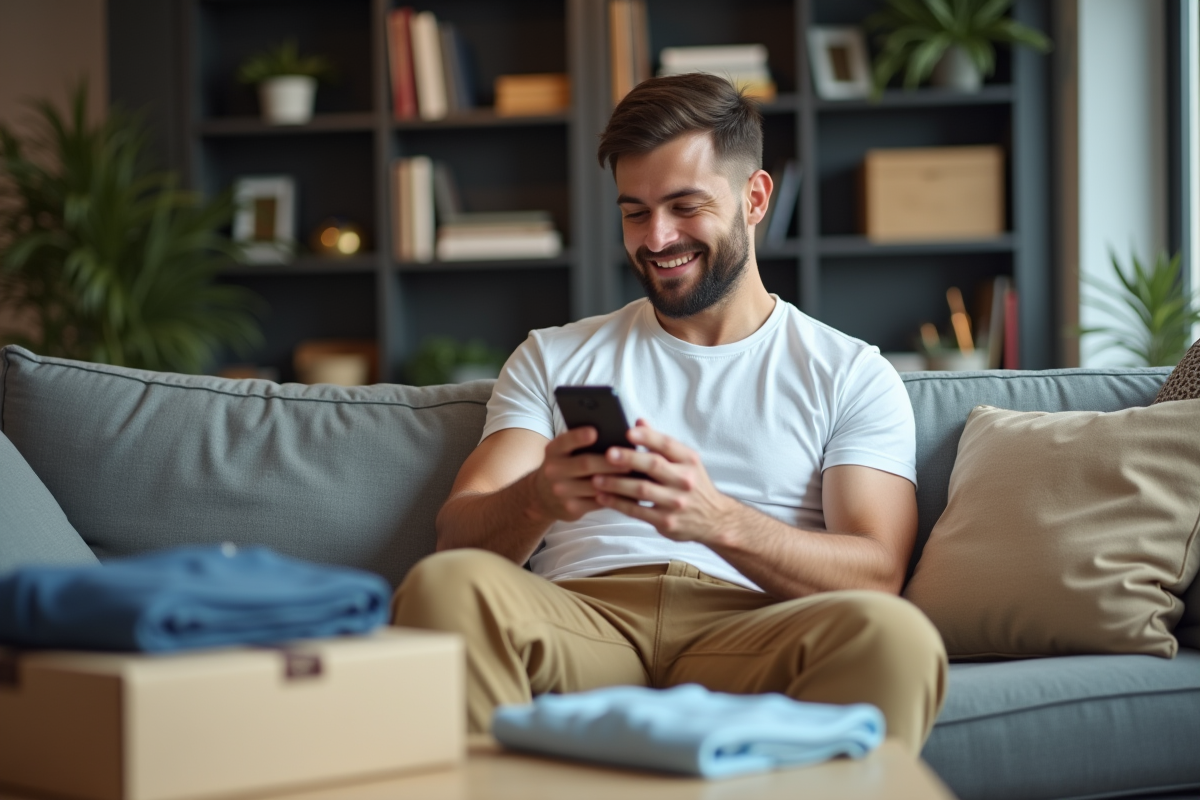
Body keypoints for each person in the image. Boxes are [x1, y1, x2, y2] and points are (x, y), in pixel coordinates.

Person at [392, 73, 947, 754]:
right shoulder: (553, 356)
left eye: (685, 206)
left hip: (752, 630)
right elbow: (458, 538)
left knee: (897, 637)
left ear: (755, 197)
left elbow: (877, 571)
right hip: (585, 620)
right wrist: (538, 497)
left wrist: (719, 521)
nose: (657, 238)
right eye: (635, 212)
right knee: (445, 585)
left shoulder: (851, 373)